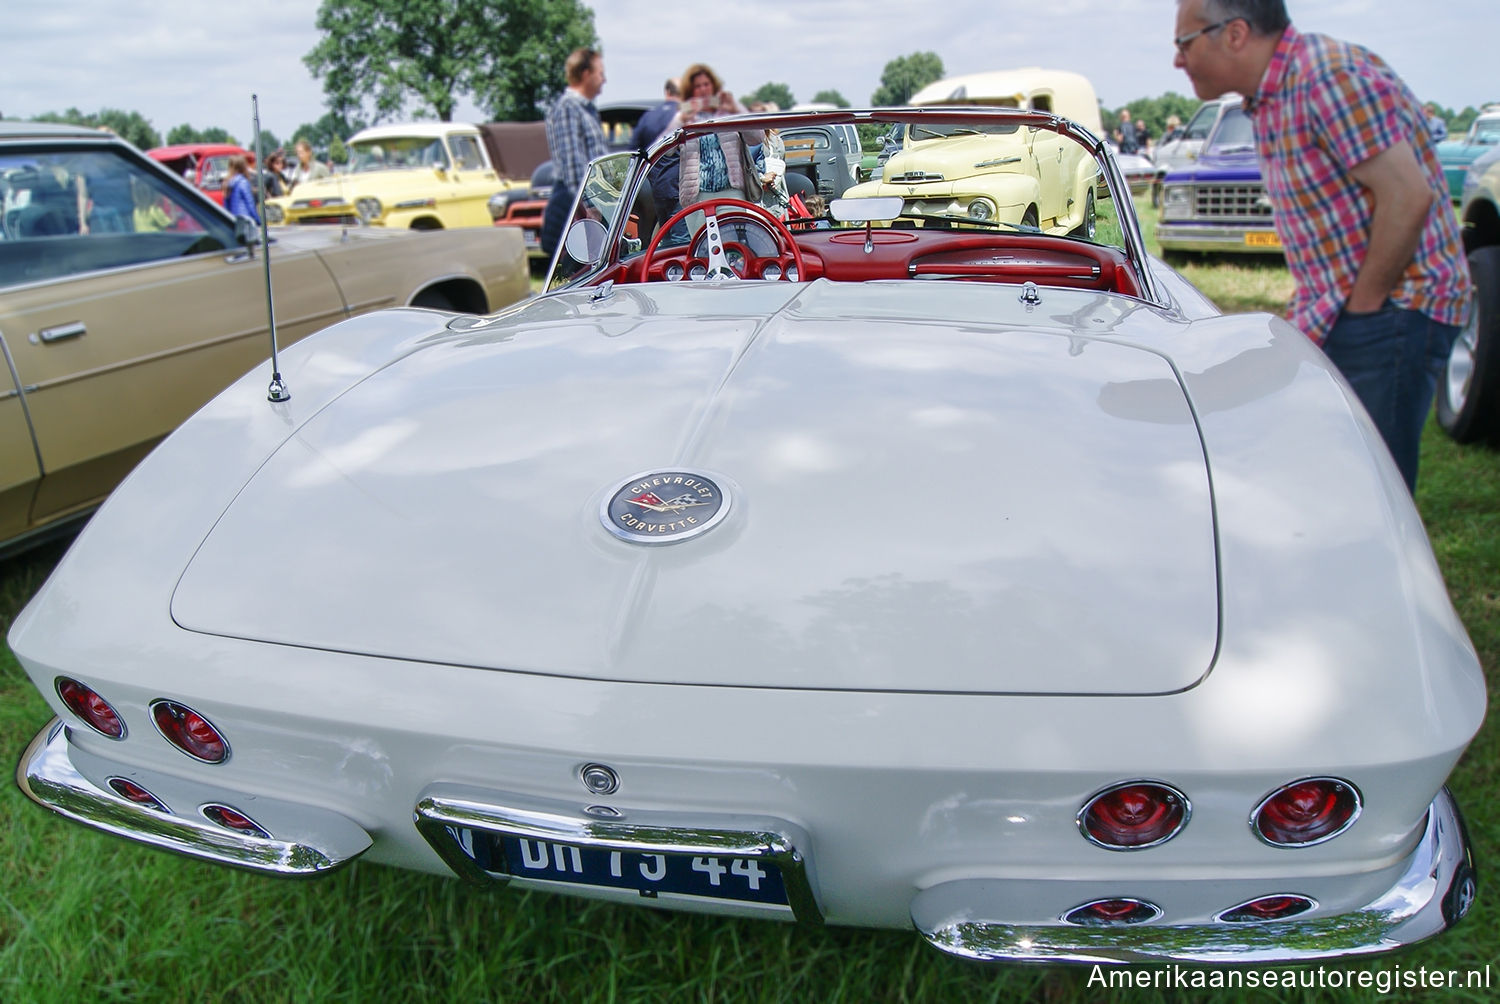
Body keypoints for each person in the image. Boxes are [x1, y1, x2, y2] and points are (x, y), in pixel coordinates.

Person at [1172, 0, 1471, 493]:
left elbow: (1407, 196)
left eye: (1185, 43)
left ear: (1235, 33)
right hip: (1351, 309)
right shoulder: (1274, 93)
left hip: (1394, 310)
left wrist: (1364, 308)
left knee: (1372, 487)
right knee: (1334, 472)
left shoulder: (1325, 78)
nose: (1178, 61)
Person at [665, 64, 763, 211]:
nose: (703, 89)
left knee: (732, 233)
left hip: (731, 191)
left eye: (706, 84)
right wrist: (681, 118)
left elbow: (757, 138)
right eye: (697, 86)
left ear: (714, 86)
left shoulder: (729, 109)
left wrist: (736, 111)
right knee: (700, 235)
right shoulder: (685, 115)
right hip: (696, 196)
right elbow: (667, 150)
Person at [542, 46, 609, 257]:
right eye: (600, 73)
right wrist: (590, 206)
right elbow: (574, 167)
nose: (604, 80)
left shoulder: (586, 109)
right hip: (574, 203)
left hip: (588, 201)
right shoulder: (568, 107)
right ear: (586, 74)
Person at [633, 78, 684, 239]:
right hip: (680, 187)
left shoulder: (648, 117)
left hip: (655, 188)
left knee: (665, 238)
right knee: (682, 240)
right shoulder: (686, 117)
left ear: (667, 92)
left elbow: (634, 151)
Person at [748, 101, 790, 219]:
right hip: (763, 197)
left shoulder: (776, 141)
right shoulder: (775, 140)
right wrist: (762, 178)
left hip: (772, 197)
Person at [224, 154, 259, 222]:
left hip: (233, 219)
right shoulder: (243, 182)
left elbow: (226, 206)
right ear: (243, 167)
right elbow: (250, 204)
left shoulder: (228, 183)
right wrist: (258, 220)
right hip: (245, 219)